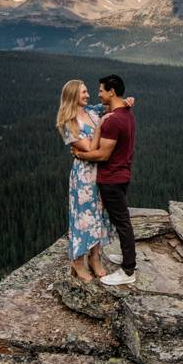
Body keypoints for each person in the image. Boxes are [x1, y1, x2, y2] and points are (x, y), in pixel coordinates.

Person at [54, 79, 132, 282]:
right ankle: (78, 262)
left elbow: (114, 104)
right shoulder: (68, 122)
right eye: (83, 92)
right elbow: (89, 148)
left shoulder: (92, 111)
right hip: (84, 176)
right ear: (72, 96)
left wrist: (128, 101)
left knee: (98, 216)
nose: (88, 95)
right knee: (82, 218)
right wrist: (99, 129)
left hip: (101, 172)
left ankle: (95, 258)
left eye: (88, 91)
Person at [74, 73, 137, 286]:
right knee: (121, 221)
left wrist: (80, 155)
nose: (98, 94)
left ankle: (128, 270)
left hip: (111, 178)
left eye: (101, 90)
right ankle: (127, 259)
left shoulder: (113, 121)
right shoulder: (126, 113)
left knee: (122, 222)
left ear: (111, 91)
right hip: (123, 174)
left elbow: (102, 155)